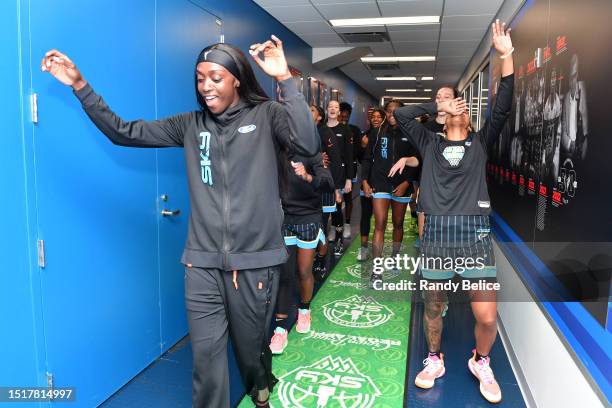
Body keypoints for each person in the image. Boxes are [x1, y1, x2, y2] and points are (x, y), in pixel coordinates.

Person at [41, 37, 319, 408]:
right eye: (200, 78)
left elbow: (308, 146)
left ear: (237, 79)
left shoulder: (267, 115)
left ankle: (260, 385)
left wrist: (285, 78)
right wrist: (80, 86)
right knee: (206, 361)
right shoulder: (190, 125)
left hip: (254, 264)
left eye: (216, 77)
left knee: (250, 354)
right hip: (201, 264)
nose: (206, 86)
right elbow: (124, 132)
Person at [390, 20, 514, 404]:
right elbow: (401, 114)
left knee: (487, 317)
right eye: (450, 105)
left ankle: (481, 361)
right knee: (433, 307)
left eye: (459, 104)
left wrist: (506, 56)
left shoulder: (481, 143)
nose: (456, 108)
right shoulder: (429, 142)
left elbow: (505, 103)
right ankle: (434, 358)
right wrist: (436, 105)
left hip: (475, 236)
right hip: (437, 237)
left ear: (470, 117)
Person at [269, 152, 334, 354]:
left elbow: (327, 183)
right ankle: (280, 329)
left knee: (303, 271)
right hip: (286, 219)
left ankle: (304, 310)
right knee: (285, 274)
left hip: (309, 218)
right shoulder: (276, 152)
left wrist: (307, 176)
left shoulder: (313, 153)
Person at [361, 101, 419, 285]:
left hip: (401, 185)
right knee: (379, 224)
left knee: (398, 223)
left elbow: (417, 160)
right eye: (389, 110)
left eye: (396, 111)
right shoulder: (377, 133)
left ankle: (394, 256)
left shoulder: (411, 132)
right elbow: (367, 159)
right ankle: (376, 271)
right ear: (385, 112)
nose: (392, 114)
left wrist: (407, 182)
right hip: (380, 183)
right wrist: (364, 181)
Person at [413, 86, 457, 247]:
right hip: (428, 184)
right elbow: (419, 158)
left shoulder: (460, 126)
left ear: (454, 100)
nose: (442, 99)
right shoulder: (425, 128)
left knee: (449, 234)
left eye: (447, 96)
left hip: (454, 187)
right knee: (426, 234)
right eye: (438, 96)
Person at [324, 100, 353, 256]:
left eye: (336, 107)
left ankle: (339, 240)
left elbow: (349, 156)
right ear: (327, 109)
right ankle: (321, 244)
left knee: (336, 209)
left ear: (339, 111)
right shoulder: (319, 129)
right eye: (330, 107)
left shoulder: (345, 130)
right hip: (321, 175)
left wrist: (349, 179)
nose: (333, 109)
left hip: (339, 175)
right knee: (322, 210)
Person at [356, 109, 384, 261]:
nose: (376, 119)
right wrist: (362, 145)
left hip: (383, 183)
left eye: (379, 117)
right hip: (367, 180)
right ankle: (364, 248)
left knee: (381, 219)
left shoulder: (387, 135)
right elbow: (361, 159)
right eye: (373, 117)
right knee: (365, 215)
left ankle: (379, 249)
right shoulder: (365, 135)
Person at [339, 101, 363, 240]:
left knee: (347, 197)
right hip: (334, 169)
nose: (343, 119)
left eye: (346, 117)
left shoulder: (354, 130)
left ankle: (347, 224)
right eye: (341, 116)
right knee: (334, 199)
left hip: (350, 167)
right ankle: (335, 226)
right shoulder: (329, 128)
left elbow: (358, 151)